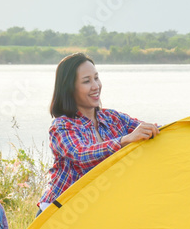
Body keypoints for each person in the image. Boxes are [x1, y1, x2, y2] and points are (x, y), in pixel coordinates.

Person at [38, 52, 159, 211]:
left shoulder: (112, 118)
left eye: (96, 78)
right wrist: (124, 141)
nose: (96, 86)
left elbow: (149, 131)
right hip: (59, 212)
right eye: (87, 81)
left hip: (95, 210)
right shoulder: (61, 126)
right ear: (70, 89)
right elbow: (81, 155)